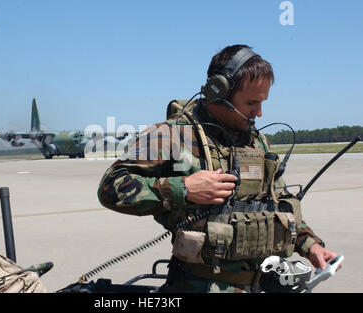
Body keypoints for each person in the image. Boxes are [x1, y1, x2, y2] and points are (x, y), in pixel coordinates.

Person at [97, 44, 339, 293]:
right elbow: (110, 187)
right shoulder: (169, 136)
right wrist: (184, 189)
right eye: (251, 103)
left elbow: (278, 203)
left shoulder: (257, 142)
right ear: (219, 92)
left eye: (262, 102)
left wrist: (310, 245)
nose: (259, 113)